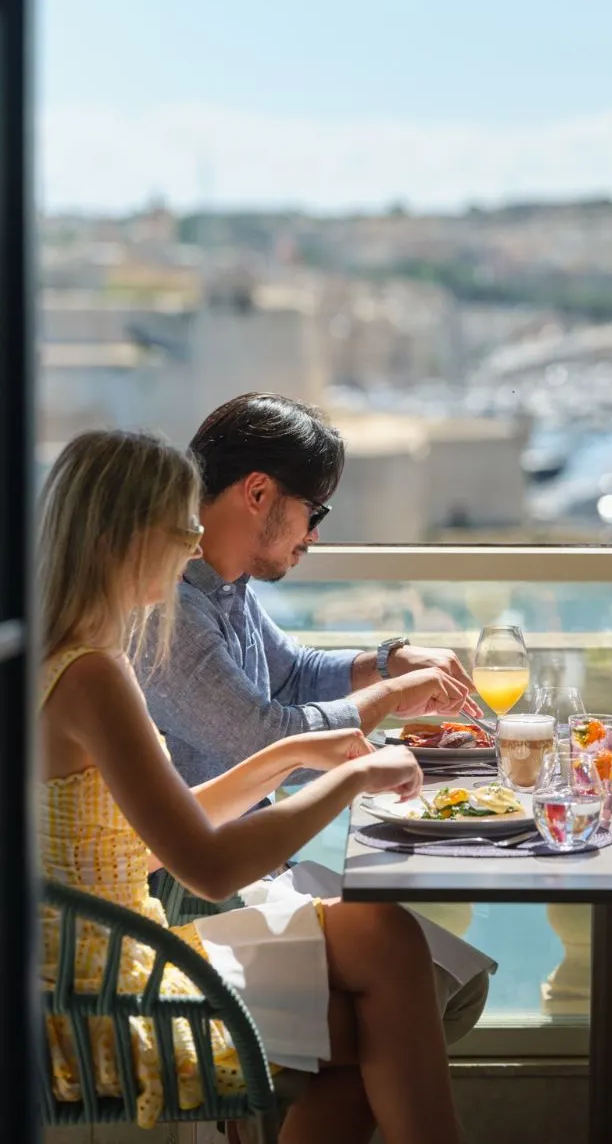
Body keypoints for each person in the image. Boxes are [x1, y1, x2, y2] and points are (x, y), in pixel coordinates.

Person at [39, 429, 468, 1144]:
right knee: (384, 987)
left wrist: (292, 753)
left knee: (380, 946)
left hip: (94, 960)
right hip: (111, 992)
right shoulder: (95, 676)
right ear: (131, 534)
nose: (190, 552)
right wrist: (352, 776)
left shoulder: (62, 656)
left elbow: (148, 838)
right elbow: (205, 868)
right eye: (183, 529)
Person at [136, 392, 494, 1040]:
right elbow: (262, 738)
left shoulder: (224, 585)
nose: (315, 534)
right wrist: (387, 697)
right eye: (313, 510)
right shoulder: (171, 611)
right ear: (258, 493)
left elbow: (294, 674)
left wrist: (389, 661)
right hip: (186, 898)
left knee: (455, 986)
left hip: (246, 871)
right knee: (406, 1001)